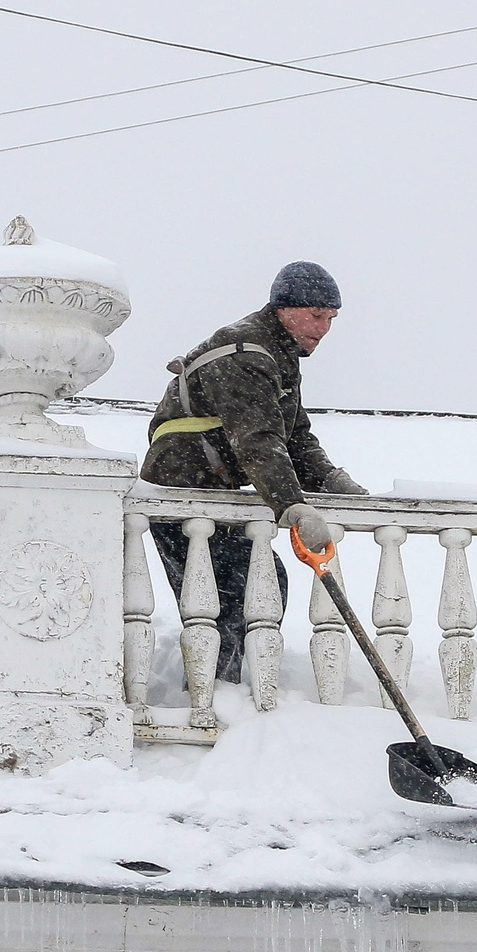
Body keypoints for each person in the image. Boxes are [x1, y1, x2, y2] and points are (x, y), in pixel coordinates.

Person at [139, 261, 366, 682]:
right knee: (229, 593)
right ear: (284, 309)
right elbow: (258, 439)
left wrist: (334, 482)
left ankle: (226, 685)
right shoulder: (245, 352)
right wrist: (293, 508)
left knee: (255, 584)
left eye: (331, 319)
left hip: (211, 488)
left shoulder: (279, 355)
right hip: (183, 488)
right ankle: (214, 692)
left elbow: (294, 438)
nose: (324, 329)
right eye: (316, 316)